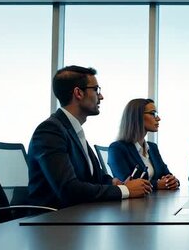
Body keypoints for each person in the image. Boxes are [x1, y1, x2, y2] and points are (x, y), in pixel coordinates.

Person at [27, 66, 152, 209]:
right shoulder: (50, 131)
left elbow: (96, 177)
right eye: (96, 90)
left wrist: (114, 183)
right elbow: (69, 189)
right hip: (50, 222)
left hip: (76, 217)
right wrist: (125, 190)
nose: (101, 96)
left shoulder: (73, 131)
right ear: (78, 93)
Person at [108, 98, 180, 191]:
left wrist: (173, 181)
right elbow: (126, 183)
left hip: (155, 201)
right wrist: (157, 184)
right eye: (153, 114)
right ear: (137, 116)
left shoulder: (152, 147)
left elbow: (167, 174)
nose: (158, 118)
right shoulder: (117, 149)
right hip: (133, 204)